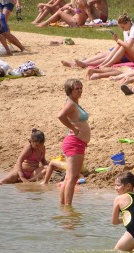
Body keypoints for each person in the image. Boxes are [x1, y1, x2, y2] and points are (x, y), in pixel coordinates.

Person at [57, 78, 90, 206]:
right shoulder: (70, 103)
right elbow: (61, 116)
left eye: (81, 88)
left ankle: (63, 205)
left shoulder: (73, 103)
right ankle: (68, 207)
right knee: (73, 178)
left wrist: (73, 127)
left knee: (68, 177)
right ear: (70, 90)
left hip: (76, 143)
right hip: (74, 143)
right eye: (77, 88)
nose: (80, 90)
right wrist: (73, 128)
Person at [61, 39, 134, 69]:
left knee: (107, 57)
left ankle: (84, 64)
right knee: (103, 54)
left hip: (132, 52)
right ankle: (78, 63)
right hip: (130, 48)